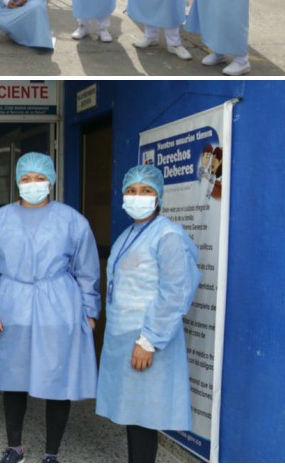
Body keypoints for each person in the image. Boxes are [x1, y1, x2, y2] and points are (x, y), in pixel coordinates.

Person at [0, 152, 100, 464]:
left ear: (51, 180)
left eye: (39, 178)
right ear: (17, 182)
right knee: (12, 379)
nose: (33, 184)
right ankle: (15, 447)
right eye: (26, 178)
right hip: (11, 307)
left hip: (60, 308)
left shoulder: (73, 221)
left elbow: (87, 272)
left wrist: (89, 313)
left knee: (59, 381)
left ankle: (51, 452)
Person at [95, 165, 201, 463]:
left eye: (146, 191)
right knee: (134, 413)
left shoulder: (168, 235)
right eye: (131, 191)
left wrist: (149, 340)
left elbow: (176, 291)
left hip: (147, 341)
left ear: (159, 196)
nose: (137, 196)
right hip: (124, 338)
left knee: (144, 418)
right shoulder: (130, 233)